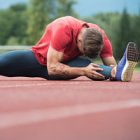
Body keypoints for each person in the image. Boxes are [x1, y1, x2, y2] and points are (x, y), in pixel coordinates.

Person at [0, 16, 139, 81]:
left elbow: (110, 63)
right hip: (38, 60)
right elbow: (52, 68)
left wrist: (113, 70)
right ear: (79, 40)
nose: (82, 53)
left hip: (69, 65)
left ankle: (120, 73)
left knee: (94, 67)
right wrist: (83, 71)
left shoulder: (100, 37)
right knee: (3, 62)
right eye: (83, 50)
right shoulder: (63, 28)